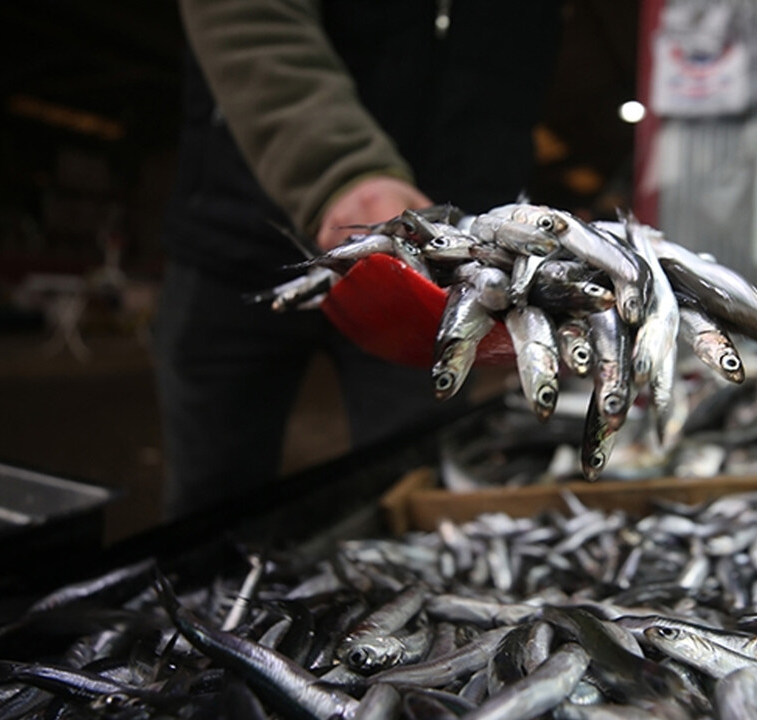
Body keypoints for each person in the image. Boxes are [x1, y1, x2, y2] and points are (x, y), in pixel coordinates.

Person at [156, 0, 563, 519]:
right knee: (211, 506)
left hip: (440, 287)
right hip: (240, 234)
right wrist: (339, 168)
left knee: (411, 495)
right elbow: (249, 16)